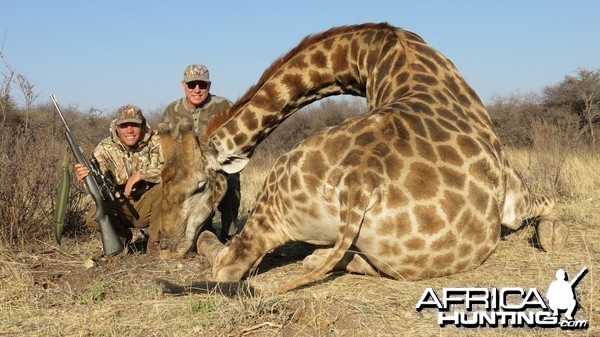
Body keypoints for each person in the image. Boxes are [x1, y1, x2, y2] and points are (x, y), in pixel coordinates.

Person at [163, 64, 240, 242]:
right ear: (183, 86)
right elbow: (168, 146)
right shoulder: (171, 110)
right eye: (192, 85)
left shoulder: (224, 106)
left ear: (209, 86)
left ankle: (229, 233)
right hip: (186, 170)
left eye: (202, 85)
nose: (197, 90)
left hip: (217, 165)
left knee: (232, 184)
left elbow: (236, 138)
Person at [74, 105, 163, 255]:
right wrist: (86, 180)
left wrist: (142, 174)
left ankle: (156, 244)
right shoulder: (103, 148)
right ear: (116, 127)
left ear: (142, 125)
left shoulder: (157, 142)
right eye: (124, 126)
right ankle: (121, 238)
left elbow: (175, 171)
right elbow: (100, 189)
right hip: (120, 204)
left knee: (168, 188)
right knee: (94, 216)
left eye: (134, 125)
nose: (129, 130)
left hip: (149, 203)